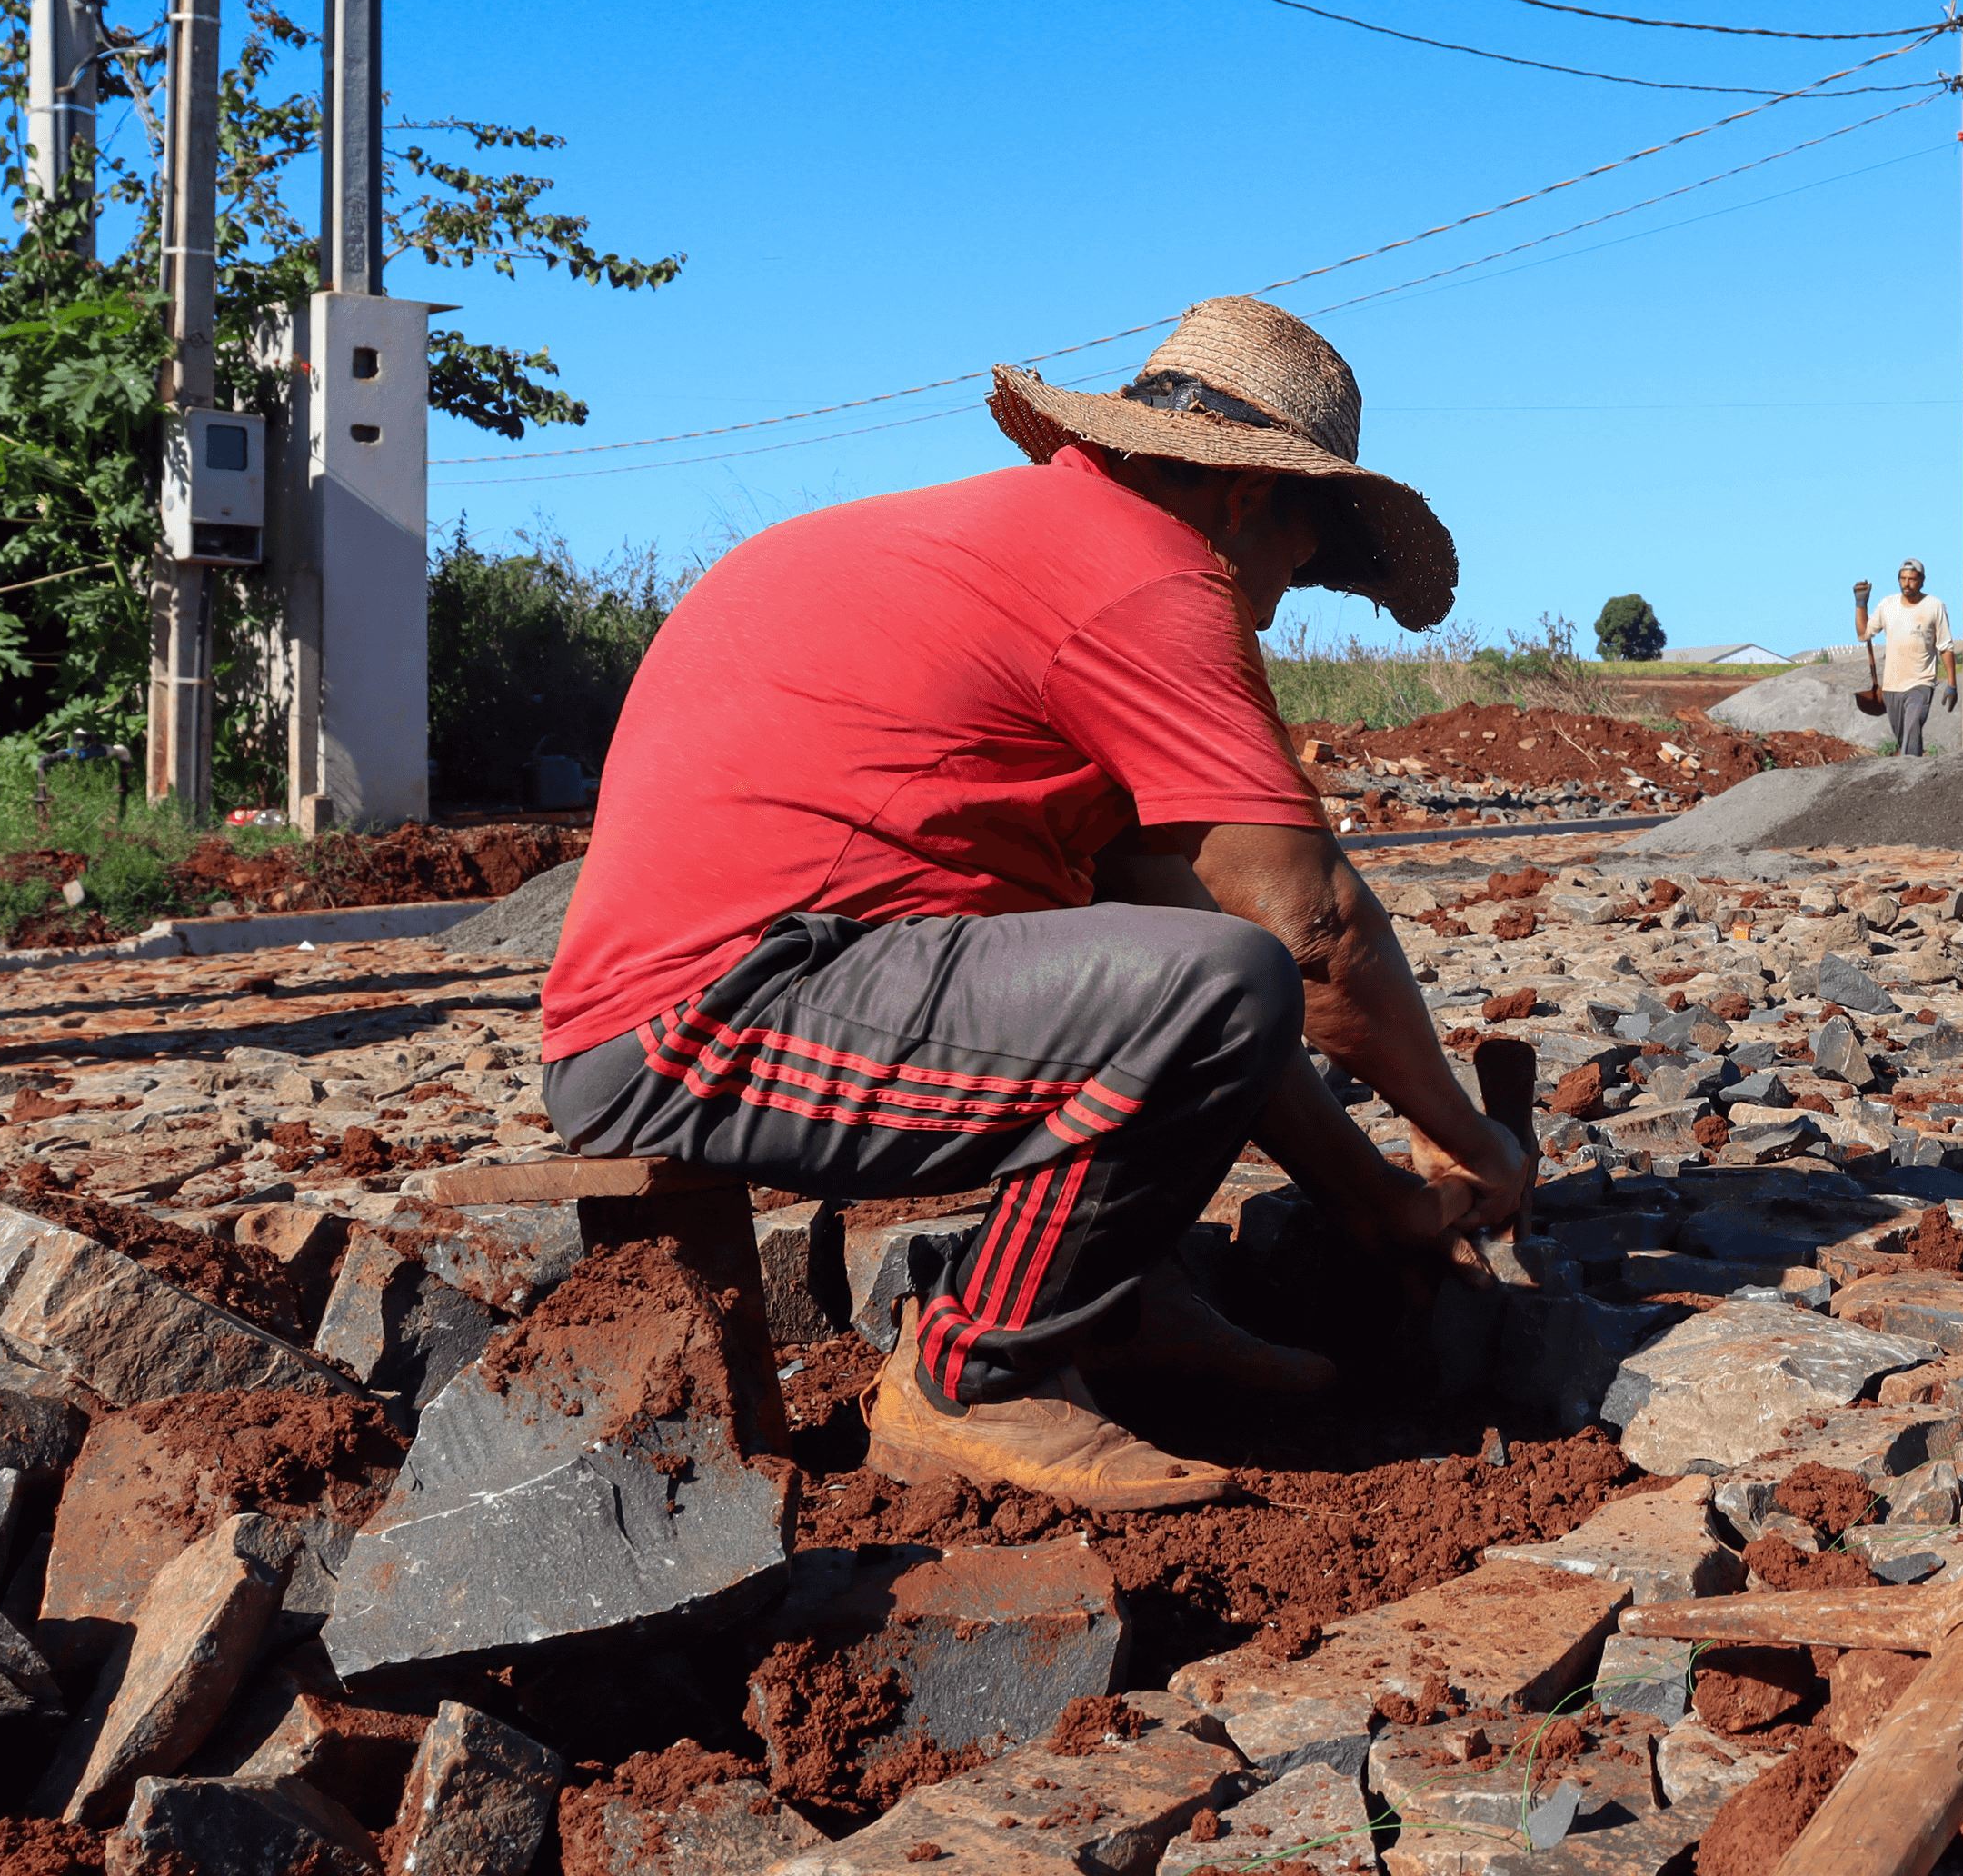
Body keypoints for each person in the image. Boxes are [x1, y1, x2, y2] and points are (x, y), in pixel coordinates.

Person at [535, 296, 1530, 1512]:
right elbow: (1308, 934)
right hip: (693, 1029)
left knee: (1196, 972)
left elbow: (1179, 969)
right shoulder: (1151, 574)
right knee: (1228, 977)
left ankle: (1111, 1310)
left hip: (751, 989)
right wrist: (1473, 1143)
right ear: (1246, 495)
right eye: (1304, 554)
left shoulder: (1033, 554)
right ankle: (975, 1379)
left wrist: (1375, 1206)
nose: (1280, 604)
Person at [1853, 558, 1957, 756]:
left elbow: (1945, 647)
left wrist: (1952, 684)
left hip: (1921, 683)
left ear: (1922, 581)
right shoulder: (1888, 605)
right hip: (1892, 686)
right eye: (1903, 579)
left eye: (1912, 579)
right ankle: (1916, 769)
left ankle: (1909, 770)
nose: (1907, 584)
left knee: (1912, 726)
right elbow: (1863, 634)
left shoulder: (1934, 606)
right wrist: (1860, 604)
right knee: (1906, 738)